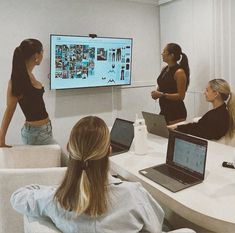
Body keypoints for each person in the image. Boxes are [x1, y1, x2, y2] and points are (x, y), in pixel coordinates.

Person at [10, 116, 165, 233]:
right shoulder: (133, 195)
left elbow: (17, 197)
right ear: (109, 152)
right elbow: (156, 226)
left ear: (69, 149)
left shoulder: (54, 200)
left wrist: (56, 190)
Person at [0, 39, 53, 147]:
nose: (43, 55)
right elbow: (9, 110)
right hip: (35, 133)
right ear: (36, 55)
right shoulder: (17, 80)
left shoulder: (30, 75)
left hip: (44, 129)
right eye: (42, 51)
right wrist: (1, 140)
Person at [151, 43, 190, 125]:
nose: (162, 54)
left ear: (171, 55)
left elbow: (181, 96)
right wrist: (156, 93)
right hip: (164, 110)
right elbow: (162, 85)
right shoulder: (164, 69)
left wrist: (161, 95)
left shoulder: (179, 72)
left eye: (164, 52)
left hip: (176, 113)